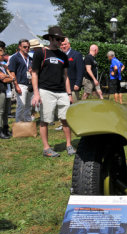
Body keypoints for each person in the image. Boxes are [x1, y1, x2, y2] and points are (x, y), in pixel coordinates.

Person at [31, 26, 75, 157]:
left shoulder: (63, 56)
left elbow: (65, 76)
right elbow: (34, 73)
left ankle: (69, 145)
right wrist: (36, 94)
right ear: (50, 38)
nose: (60, 41)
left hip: (62, 92)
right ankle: (46, 148)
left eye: (61, 39)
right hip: (46, 91)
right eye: (57, 39)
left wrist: (69, 94)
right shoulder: (41, 53)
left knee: (65, 119)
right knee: (45, 120)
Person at [8, 39, 33, 122]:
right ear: (19, 47)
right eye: (25, 47)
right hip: (20, 84)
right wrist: (16, 85)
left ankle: (28, 123)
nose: (27, 48)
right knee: (21, 105)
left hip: (29, 84)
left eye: (28, 47)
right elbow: (12, 72)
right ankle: (19, 124)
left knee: (28, 106)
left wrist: (31, 71)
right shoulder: (15, 57)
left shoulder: (30, 58)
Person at [60, 38, 84, 102]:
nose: (63, 46)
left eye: (65, 44)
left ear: (69, 44)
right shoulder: (59, 55)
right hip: (61, 87)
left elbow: (80, 70)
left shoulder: (77, 55)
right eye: (62, 45)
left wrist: (78, 83)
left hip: (73, 86)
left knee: (73, 106)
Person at [0, 49, 14, 139]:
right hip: (1, 90)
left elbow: (11, 77)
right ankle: (0, 130)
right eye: (1, 55)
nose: (3, 56)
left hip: (6, 90)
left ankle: (6, 128)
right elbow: (3, 78)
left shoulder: (3, 66)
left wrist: (8, 75)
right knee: (0, 111)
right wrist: (9, 77)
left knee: (5, 112)